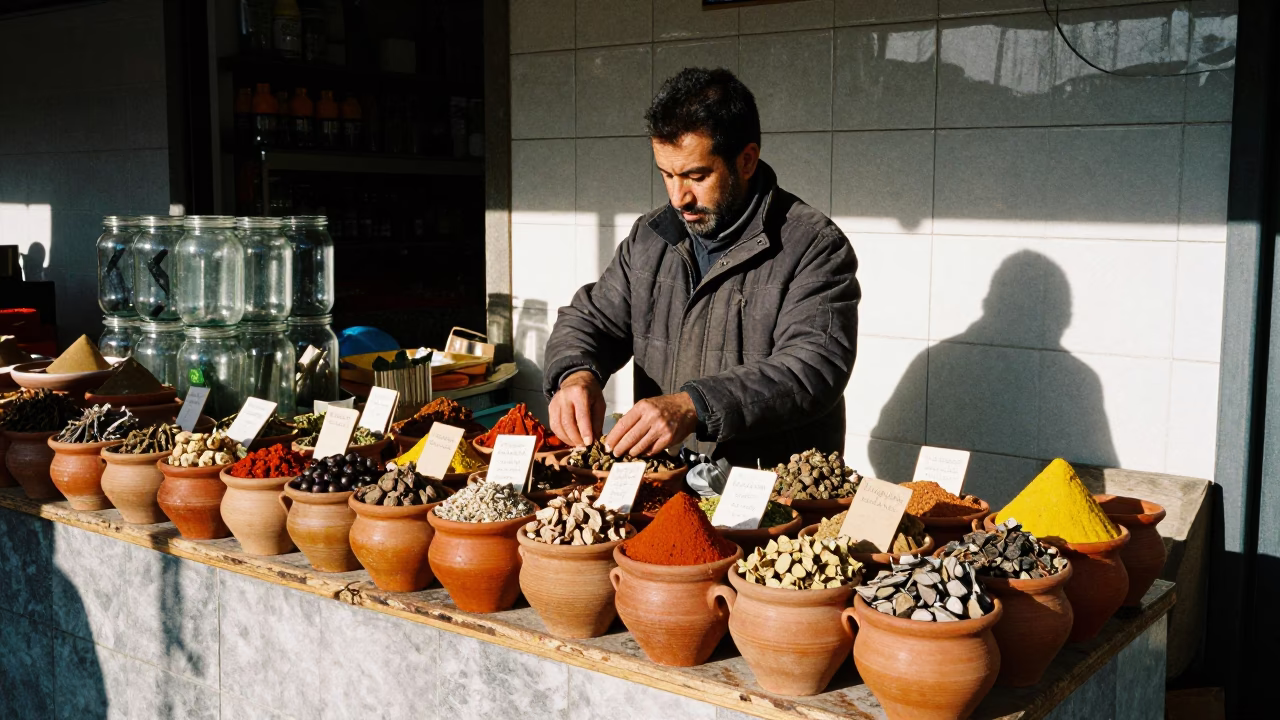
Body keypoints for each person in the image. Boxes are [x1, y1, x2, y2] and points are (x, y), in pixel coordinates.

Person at [543, 67, 860, 468]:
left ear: (746, 161)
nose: (679, 197)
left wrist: (694, 405)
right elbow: (591, 320)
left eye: (696, 175)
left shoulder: (813, 244)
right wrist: (576, 375)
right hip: (668, 480)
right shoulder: (651, 237)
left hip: (768, 492)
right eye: (667, 174)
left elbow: (812, 367)